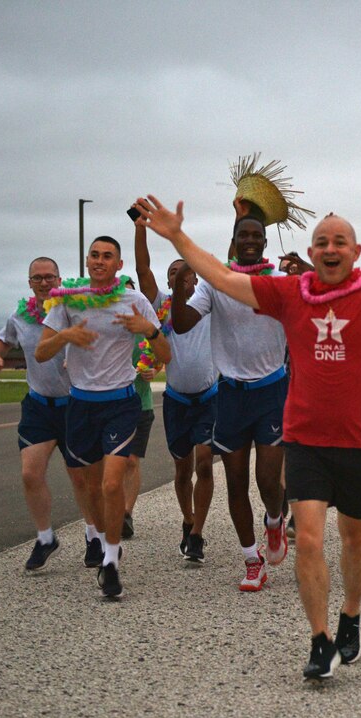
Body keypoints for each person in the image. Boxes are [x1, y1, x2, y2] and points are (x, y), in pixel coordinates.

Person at [133, 193, 361, 681]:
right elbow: (225, 277)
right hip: (306, 439)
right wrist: (176, 237)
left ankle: (350, 615)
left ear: (356, 253)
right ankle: (319, 640)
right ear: (311, 253)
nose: (330, 248)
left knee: (354, 539)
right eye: (322, 241)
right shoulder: (288, 293)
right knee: (310, 539)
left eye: (340, 241)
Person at [35, 236, 170, 600]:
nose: (99, 261)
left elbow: (165, 353)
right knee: (92, 489)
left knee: (112, 485)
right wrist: (65, 334)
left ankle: (110, 562)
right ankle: (99, 536)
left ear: (118, 265)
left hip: (121, 404)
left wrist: (150, 331)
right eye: (94, 255)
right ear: (86, 261)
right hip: (81, 405)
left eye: (107, 256)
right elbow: (42, 351)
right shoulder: (66, 302)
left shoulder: (134, 300)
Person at [170, 205, 289, 591]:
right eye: (243, 236)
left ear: (265, 243)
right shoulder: (215, 283)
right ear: (233, 244)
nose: (250, 241)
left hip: (271, 390)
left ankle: (275, 519)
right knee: (236, 483)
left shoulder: (279, 283)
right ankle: (252, 560)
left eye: (257, 236)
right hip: (231, 395)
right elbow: (185, 324)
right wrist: (176, 292)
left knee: (268, 479)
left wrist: (305, 275)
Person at [0, 258, 98, 570]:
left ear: (60, 279)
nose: (44, 282)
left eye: (49, 276)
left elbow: (95, 342)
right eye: (37, 277)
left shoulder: (73, 309)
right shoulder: (20, 315)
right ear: (29, 283)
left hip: (74, 404)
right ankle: (45, 537)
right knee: (29, 473)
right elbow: (3, 337)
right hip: (38, 405)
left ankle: (93, 535)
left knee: (80, 477)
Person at [134, 221, 217, 563]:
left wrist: (186, 253)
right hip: (177, 401)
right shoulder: (160, 305)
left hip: (210, 397)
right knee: (182, 470)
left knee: (205, 464)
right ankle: (188, 520)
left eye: (185, 272)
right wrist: (141, 228)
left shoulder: (206, 302)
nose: (180, 276)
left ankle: (197, 534)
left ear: (195, 278)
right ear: (169, 281)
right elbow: (142, 269)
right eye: (173, 272)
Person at [120, 278, 159, 541]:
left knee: (131, 460)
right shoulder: (110, 327)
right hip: (112, 403)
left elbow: (160, 354)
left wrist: (154, 370)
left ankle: (125, 514)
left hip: (141, 402)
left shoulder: (146, 328)